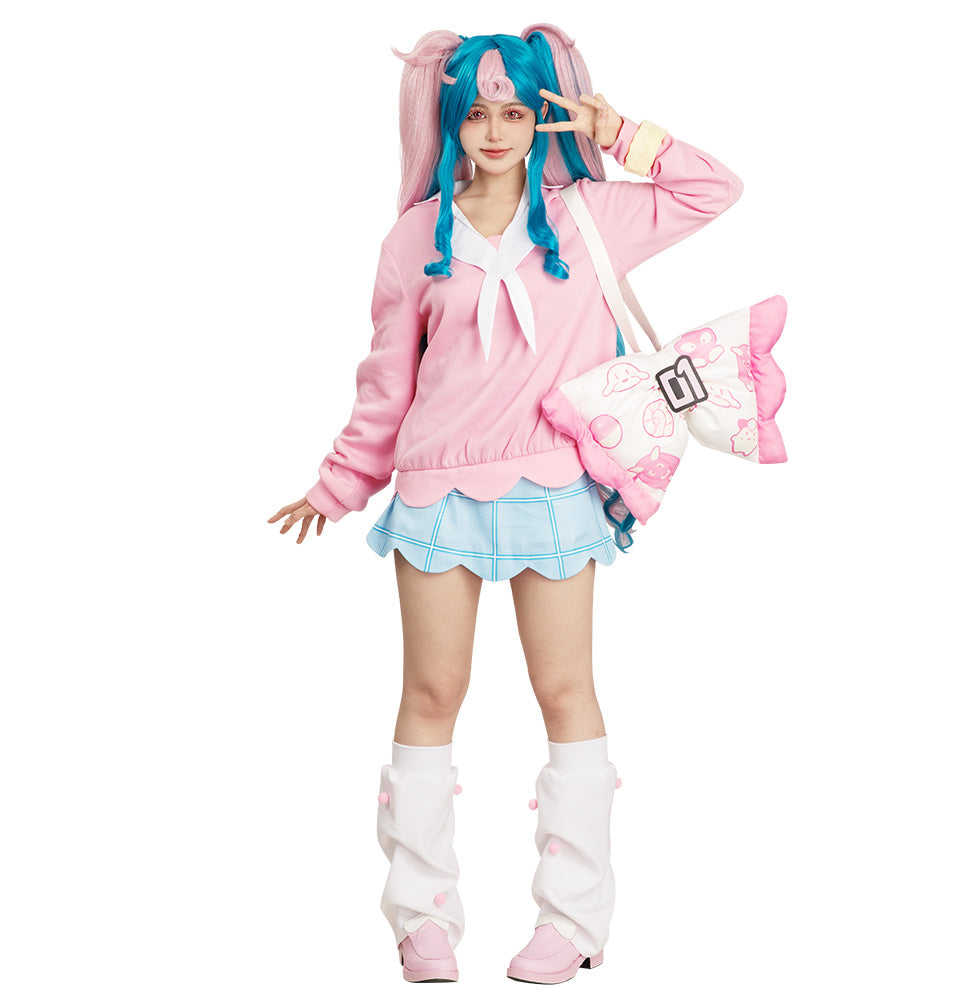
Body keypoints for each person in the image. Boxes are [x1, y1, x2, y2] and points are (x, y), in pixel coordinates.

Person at [268, 24, 742, 985]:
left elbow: (713, 189)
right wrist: (340, 481)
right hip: (435, 494)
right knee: (430, 695)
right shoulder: (415, 237)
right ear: (450, 120)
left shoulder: (589, 216)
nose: (494, 130)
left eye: (516, 112)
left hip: (557, 488)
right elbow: (387, 383)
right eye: (477, 113)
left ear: (540, 120)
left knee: (565, 692)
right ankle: (421, 915)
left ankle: (573, 919)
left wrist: (619, 133)